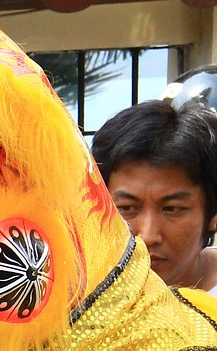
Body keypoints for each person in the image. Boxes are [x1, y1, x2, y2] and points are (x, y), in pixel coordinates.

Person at [90, 99, 217, 291]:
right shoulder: (72, 299)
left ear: (213, 214)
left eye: (172, 209)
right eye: (127, 208)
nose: (148, 236)